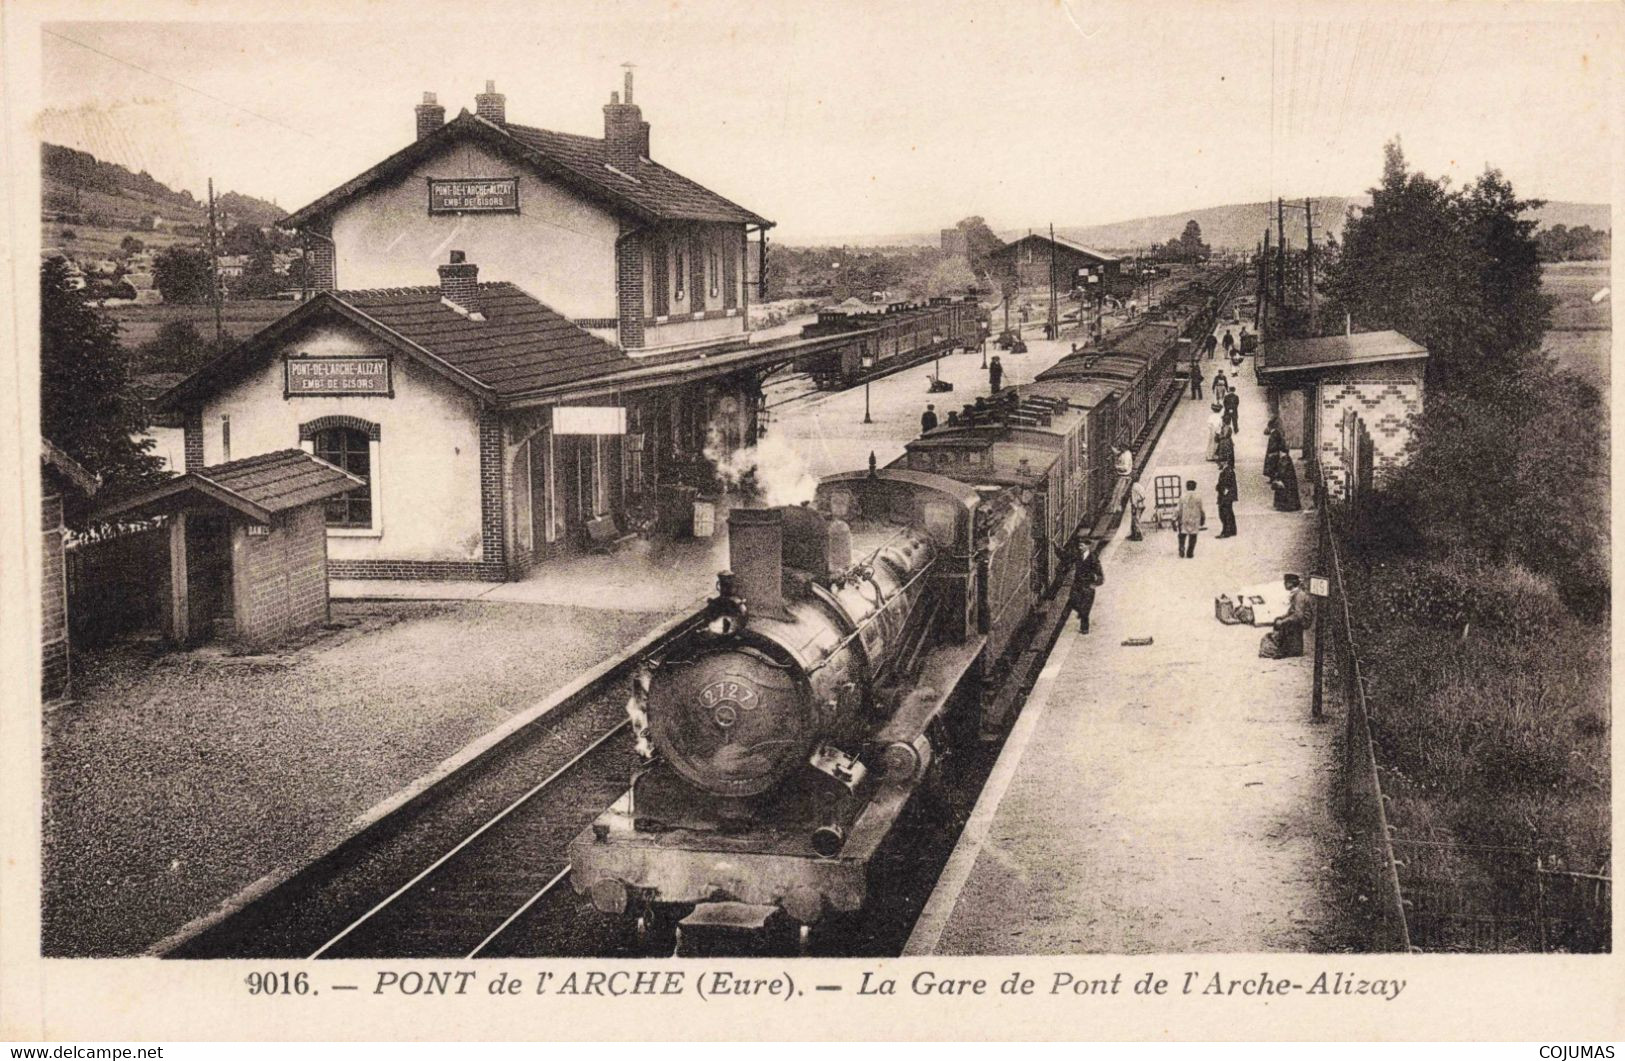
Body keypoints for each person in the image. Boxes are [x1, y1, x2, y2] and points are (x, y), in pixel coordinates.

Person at [1260, 573, 1314, 658]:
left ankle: (1288, 649)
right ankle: (1288, 647)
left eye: (1286, 582)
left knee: (1284, 624)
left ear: (1291, 583)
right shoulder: (1296, 593)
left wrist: (1284, 620)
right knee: (1279, 620)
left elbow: (1298, 615)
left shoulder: (1299, 595)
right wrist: (1281, 617)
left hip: (1303, 620)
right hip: (1299, 617)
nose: (1284, 584)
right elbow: (1291, 611)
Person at [1066, 538, 1105, 634]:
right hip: (1077, 585)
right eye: (1079, 545)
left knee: (1085, 609)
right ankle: (1080, 612)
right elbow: (1065, 557)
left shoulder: (1093, 559)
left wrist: (1094, 584)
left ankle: (1085, 629)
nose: (1079, 547)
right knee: (1072, 601)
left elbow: (1100, 576)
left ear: (1087, 546)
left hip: (1088, 587)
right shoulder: (1078, 555)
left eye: (1081, 545)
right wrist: (1055, 547)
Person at [1176, 479, 1205, 558]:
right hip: (1195, 518)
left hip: (1184, 518)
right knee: (1193, 535)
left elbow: (1179, 509)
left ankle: (1182, 547)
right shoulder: (1198, 497)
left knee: (1182, 534)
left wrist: (1176, 518)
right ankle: (1190, 552)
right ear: (1195, 487)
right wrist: (1203, 518)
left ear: (1186, 487)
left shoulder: (1182, 496)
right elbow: (1201, 509)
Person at [1215, 459, 1238, 538]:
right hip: (1228, 496)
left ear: (1224, 462)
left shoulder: (1227, 472)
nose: (1218, 465)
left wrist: (1220, 489)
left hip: (1225, 496)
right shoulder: (1228, 471)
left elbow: (1226, 485)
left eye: (1219, 463)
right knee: (1229, 513)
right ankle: (1232, 530)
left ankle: (1226, 531)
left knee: (1224, 514)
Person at [1113, 445, 1134, 511]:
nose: (1119, 449)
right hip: (1122, 476)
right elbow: (1117, 452)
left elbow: (1125, 468)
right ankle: (1116, 508)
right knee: (1117, 493)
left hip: (1124, 477)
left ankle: (1117, 508)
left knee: (1119, 493)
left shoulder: (1126, 456)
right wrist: (1111, 447)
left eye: (1120, 447)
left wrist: (1116, 467)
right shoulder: (1124, 453)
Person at [1127, 476, 1146, 541]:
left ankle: (1139, 536)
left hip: (1137, 505)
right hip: (1142, 504)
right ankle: (1134, 534)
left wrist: (1133, 506)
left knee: (1135, 521)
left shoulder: (1133, 487)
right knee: (1136, 520)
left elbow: (1133, 498)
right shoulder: (1139, 486)